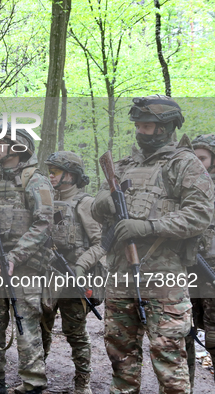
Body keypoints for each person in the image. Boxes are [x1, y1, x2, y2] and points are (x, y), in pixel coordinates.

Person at [91, 95, 215, 393]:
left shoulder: (185, 164)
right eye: (138, 125)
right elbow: (96, 209)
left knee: (169, 362)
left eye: (147, 126)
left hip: (165, 281)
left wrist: (149, 226)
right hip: (120, 278)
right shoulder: (123, 164)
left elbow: (200, 215)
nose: (140, 131)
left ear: (166, 127)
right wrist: (105, 202)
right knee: (120, 360)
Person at [0, 120, 54, 394]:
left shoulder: (35, 181)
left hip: (25, 265)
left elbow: (44, 223)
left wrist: (16, 256)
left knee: (25, 321)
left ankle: (33, 383)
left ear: (18, 147)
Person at [39, 151, 105, 394]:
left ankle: (82, 383)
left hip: (74, 277)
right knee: (41, 326)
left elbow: (101, 244)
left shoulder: (84, 203)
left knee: (74, 332)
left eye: (56, 171)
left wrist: (81, 266)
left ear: (71, 175)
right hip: (47, 274)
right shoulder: (45, 199)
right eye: (51, 170)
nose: (51, 175)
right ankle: (36, 378)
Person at [186, 134, 215, 387]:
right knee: (184, 333)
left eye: (202, 158)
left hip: (211, 273)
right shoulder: (181, 188)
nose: (197, 162)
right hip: (185, 270)